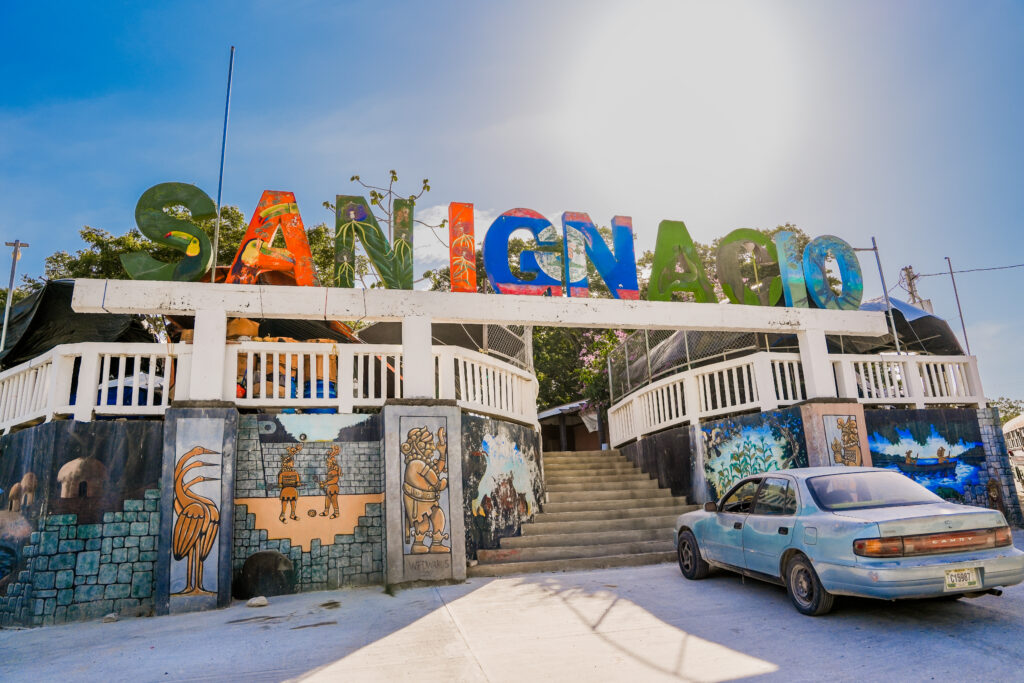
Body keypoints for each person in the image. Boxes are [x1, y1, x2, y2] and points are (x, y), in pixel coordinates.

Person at [278, 446, 302, 523]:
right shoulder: (282, 473)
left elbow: (298, 482)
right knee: (284, 502)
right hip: (285, 490)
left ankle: (292, 514)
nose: (293, 464)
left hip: (292, 490)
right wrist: (281, 485)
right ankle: (282, 515)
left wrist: (298, 483)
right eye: (292, 463)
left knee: (293, 502)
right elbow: (280, 483)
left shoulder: (295, 473)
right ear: (287, 464)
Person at [320, 445, 341, 519]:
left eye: (328, 463)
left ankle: (336, 513)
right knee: (327, 499)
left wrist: (325, 483)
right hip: (329, 487)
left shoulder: (334, 471)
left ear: (331, 463)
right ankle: (326, 511)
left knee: (334, 500)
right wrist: (324, 482)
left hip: (333, 487)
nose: (327, 464)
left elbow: (334, 480)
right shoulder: (330, 471)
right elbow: (329, 480)